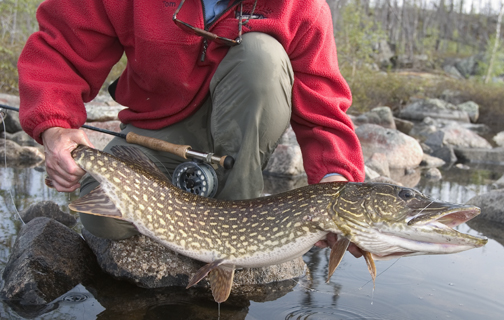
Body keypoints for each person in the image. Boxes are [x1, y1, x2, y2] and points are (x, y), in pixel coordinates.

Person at [18, 0, 364, 254]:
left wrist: (336, 181)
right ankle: (198, 218)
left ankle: (237, 222)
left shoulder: (302, 6)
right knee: (103, 219)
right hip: (158, 126)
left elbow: (323, 109)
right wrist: (55, 127)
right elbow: (60, 50)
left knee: (262, 57)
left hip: (244, 122)